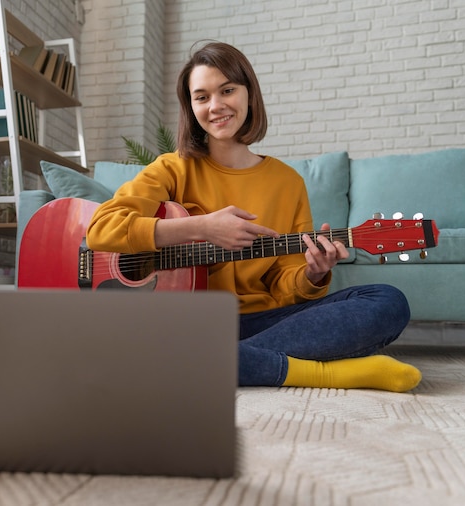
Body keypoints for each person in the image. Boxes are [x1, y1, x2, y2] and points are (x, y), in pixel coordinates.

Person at [86, 41, 421, 392]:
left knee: (387, 301)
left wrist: (312, 273)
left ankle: (197, 361)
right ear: (191, 107)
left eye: (227, 90)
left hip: (260, 321)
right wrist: (202, 226)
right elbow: (100, 229)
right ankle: (321, 374)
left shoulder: (286, 182)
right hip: (183, 321)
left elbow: (282, 282)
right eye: (201, 97)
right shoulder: (173, 168)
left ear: (249, 94)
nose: (215, 106)